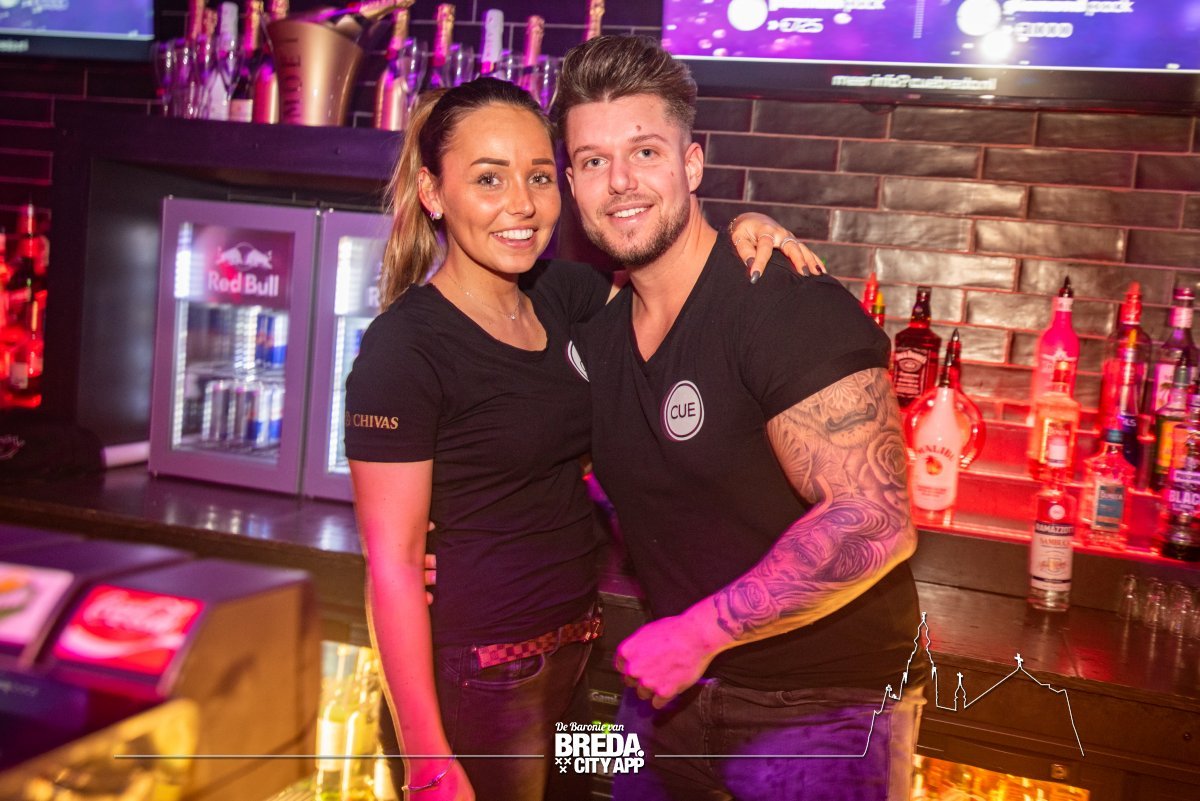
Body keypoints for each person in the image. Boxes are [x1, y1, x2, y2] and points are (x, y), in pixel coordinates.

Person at [344, 77, 818, 801]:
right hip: (482, 675)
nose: (522, 204)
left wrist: (741, 230)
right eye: (489, 179)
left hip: (579, 652)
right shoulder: (403, 349)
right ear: (433, 193)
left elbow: (675, 288)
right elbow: (394, 566)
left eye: (539, 177)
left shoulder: (562, 295)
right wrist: (426, 758)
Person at [557, 36, 925, 801]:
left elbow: (876, 518)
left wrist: (698, 634)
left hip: (822, 707)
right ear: (572, 183)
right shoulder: (597, 330)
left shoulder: (780, 301)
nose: (620, 181)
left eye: (645, 151)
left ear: (691, 164)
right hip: (664, 698)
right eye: (593, 160)